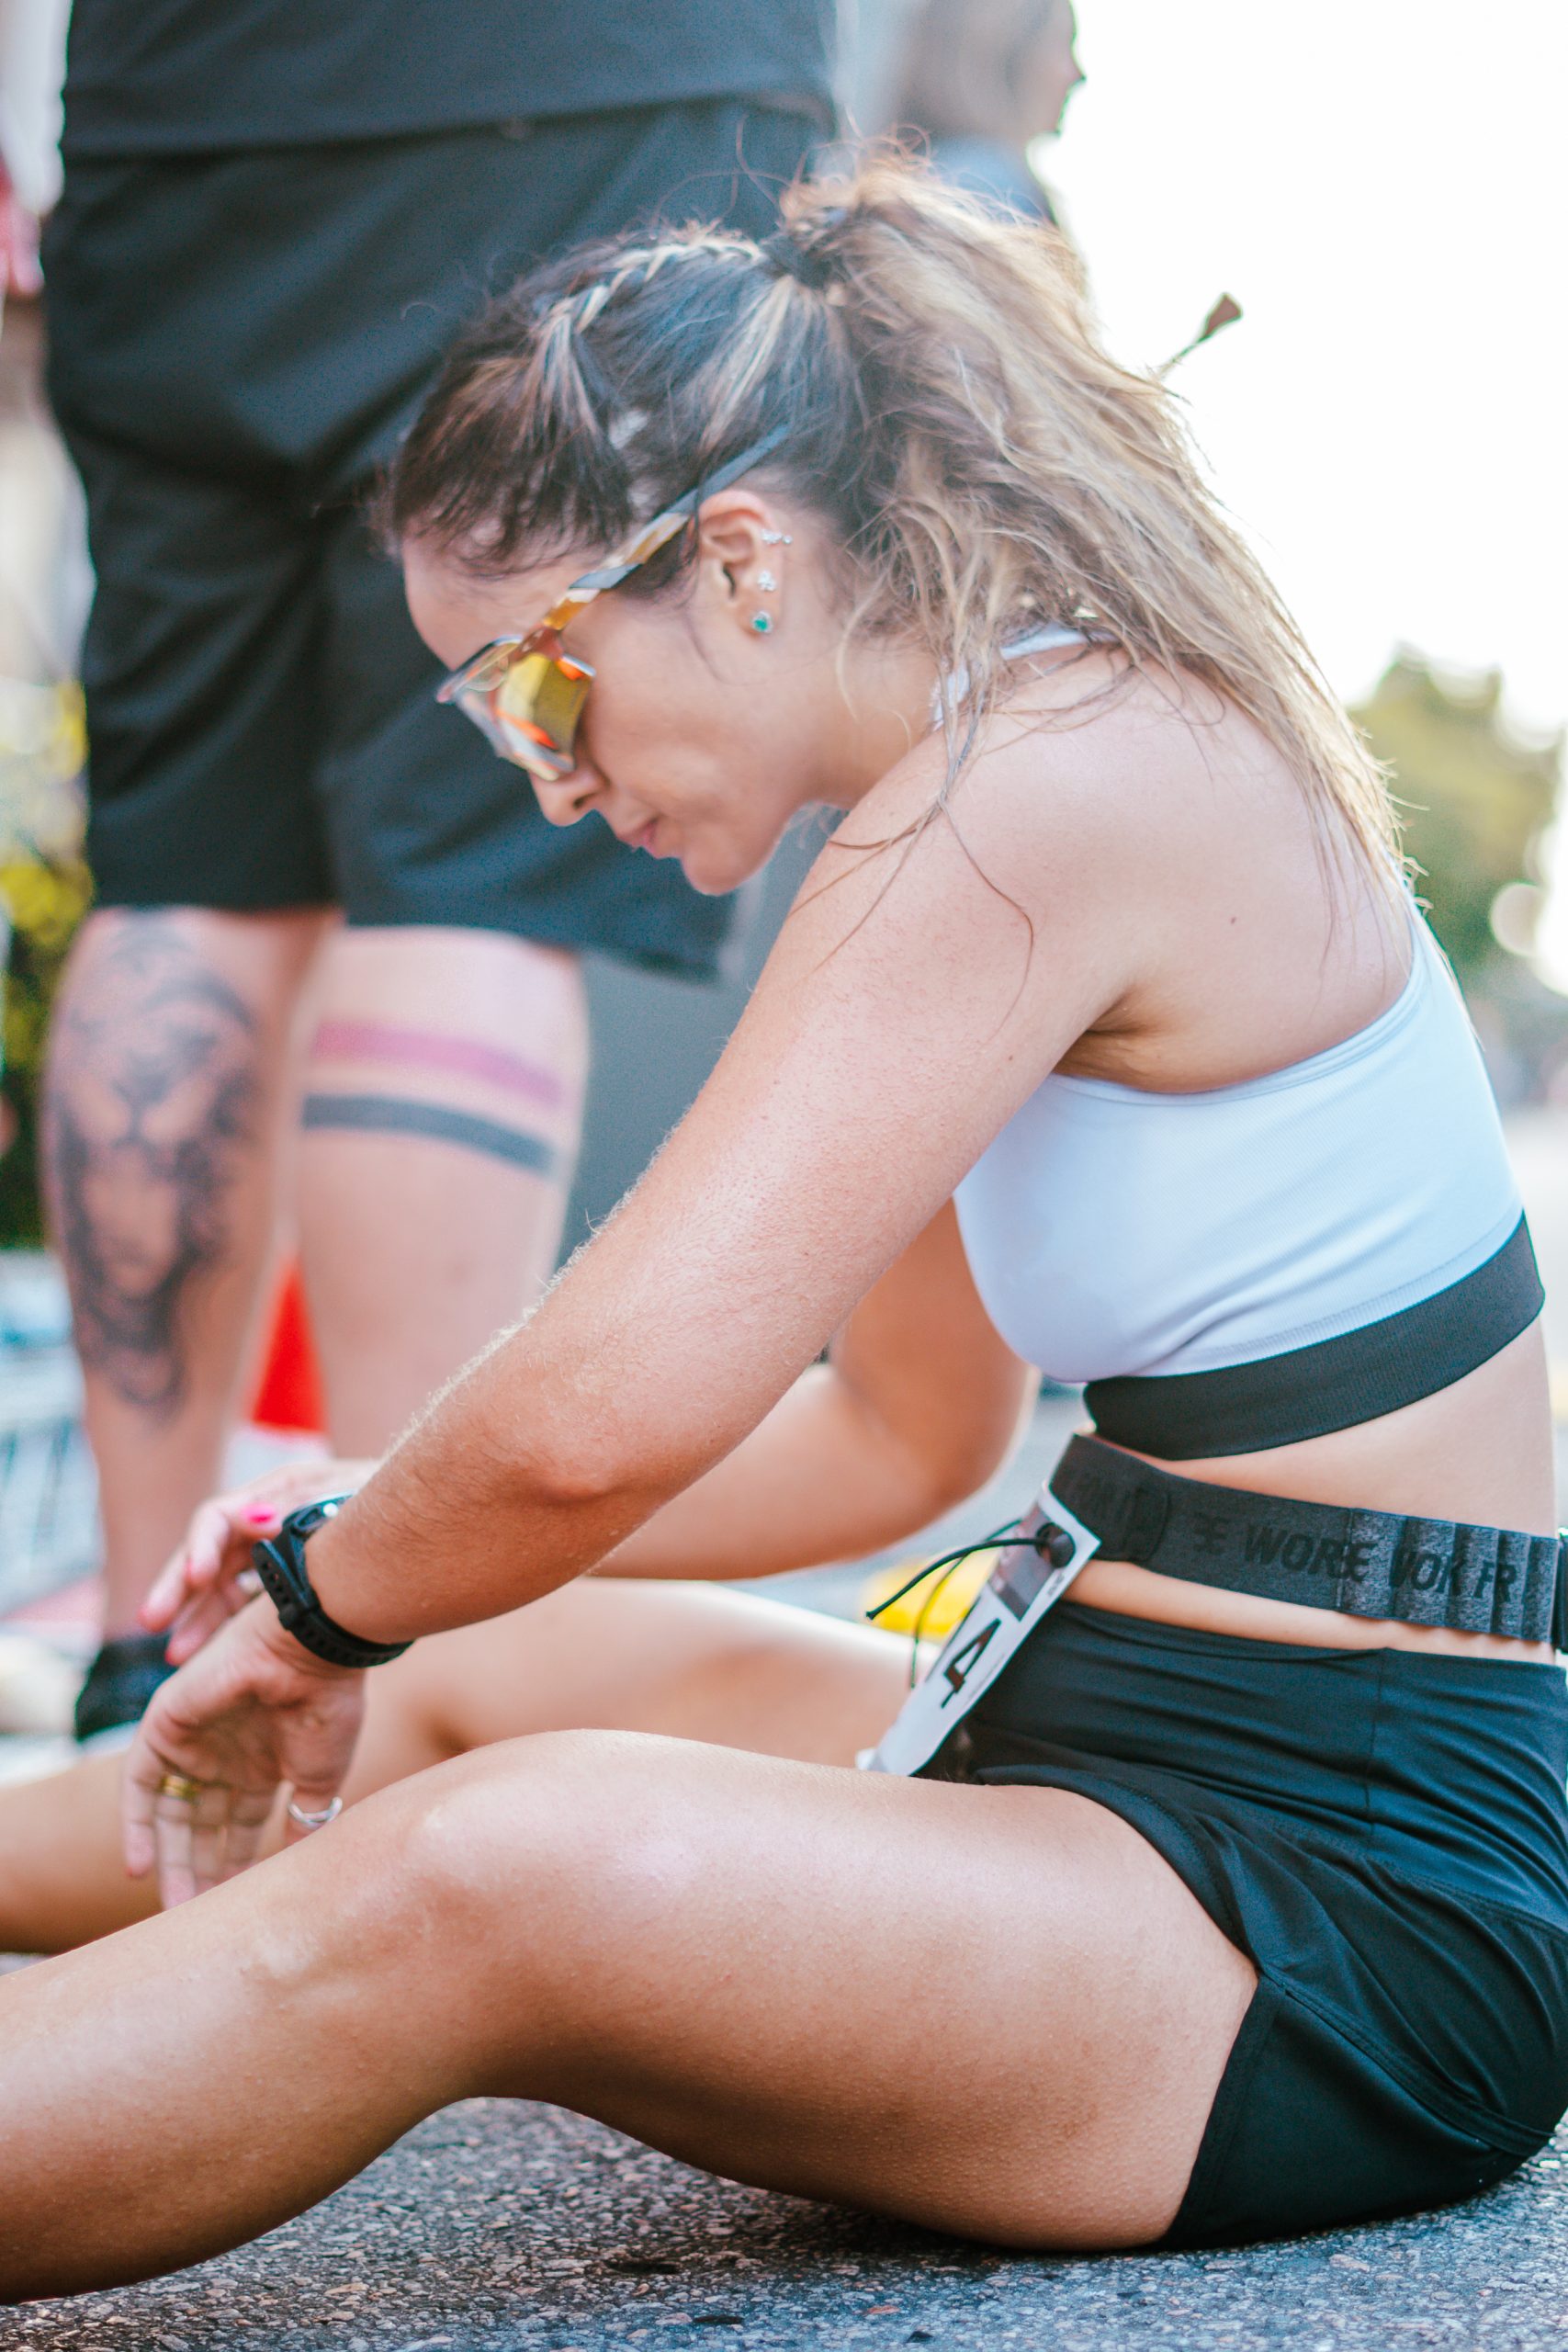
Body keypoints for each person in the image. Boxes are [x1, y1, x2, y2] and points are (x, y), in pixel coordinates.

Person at [2, 162, 1566, 2296]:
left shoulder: (1041, 784)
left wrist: (316, 1597)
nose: (545, 778)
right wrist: (363, 1538)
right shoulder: (976, 783)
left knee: (484, 1872)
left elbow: (599, 1417)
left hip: (1328, 1916)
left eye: (533, 686)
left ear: (735, 559)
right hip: (1106, 1746)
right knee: (482, 1656)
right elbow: (900, 1432)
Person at [39, 0, 836, 1743]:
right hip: (590, 88)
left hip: (183, 126)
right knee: (473, 878)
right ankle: (384, 1628)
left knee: (183, 878)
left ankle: (138, 1632)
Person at [889, 0, 1084, 220]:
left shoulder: (932, 174)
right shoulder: (987, 184)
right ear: (1007, 55)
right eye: (1064, 44)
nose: (1078, 75)